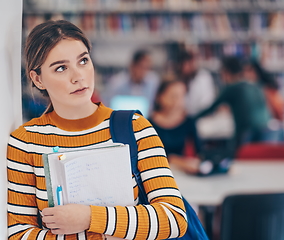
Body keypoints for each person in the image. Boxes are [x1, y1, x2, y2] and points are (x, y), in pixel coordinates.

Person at [8, 20, 187, 240]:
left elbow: (174, 218)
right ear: (38, 79)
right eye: (61, 68)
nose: (78, 76)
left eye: (83, 61)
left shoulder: (135, 127)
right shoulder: (25, 141)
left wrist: (89, 217)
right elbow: (18, 233)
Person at [196, 56, 272, 150]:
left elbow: (211, 108)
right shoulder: (254, 85)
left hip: (247, 134)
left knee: (233, 154)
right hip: (267, 133)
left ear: (226, 73)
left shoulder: (232, 88)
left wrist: (190, 119)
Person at [149, 80, 202, 174]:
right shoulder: (149, 124)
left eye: (181, 96)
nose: (177, 101)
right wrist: (176, 160)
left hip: (184, 174)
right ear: (160, 97)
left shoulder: (188, 121)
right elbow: (150, 157)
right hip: (159, 173)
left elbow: (199, 151)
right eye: (173, 96)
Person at [102, 49, 160, 115]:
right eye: (141, 67)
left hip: (145, 120)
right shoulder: (117, 83)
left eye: (148, 68)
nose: (144, 71)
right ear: (132, 65)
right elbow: (106, 104)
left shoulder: (153, 82)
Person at [175, 49, 217, 116]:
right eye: (185, 65)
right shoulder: (179, 80)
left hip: (202, 117)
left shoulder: (203, 77)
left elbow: (206, 102)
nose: (189, 67)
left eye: (190, 63)